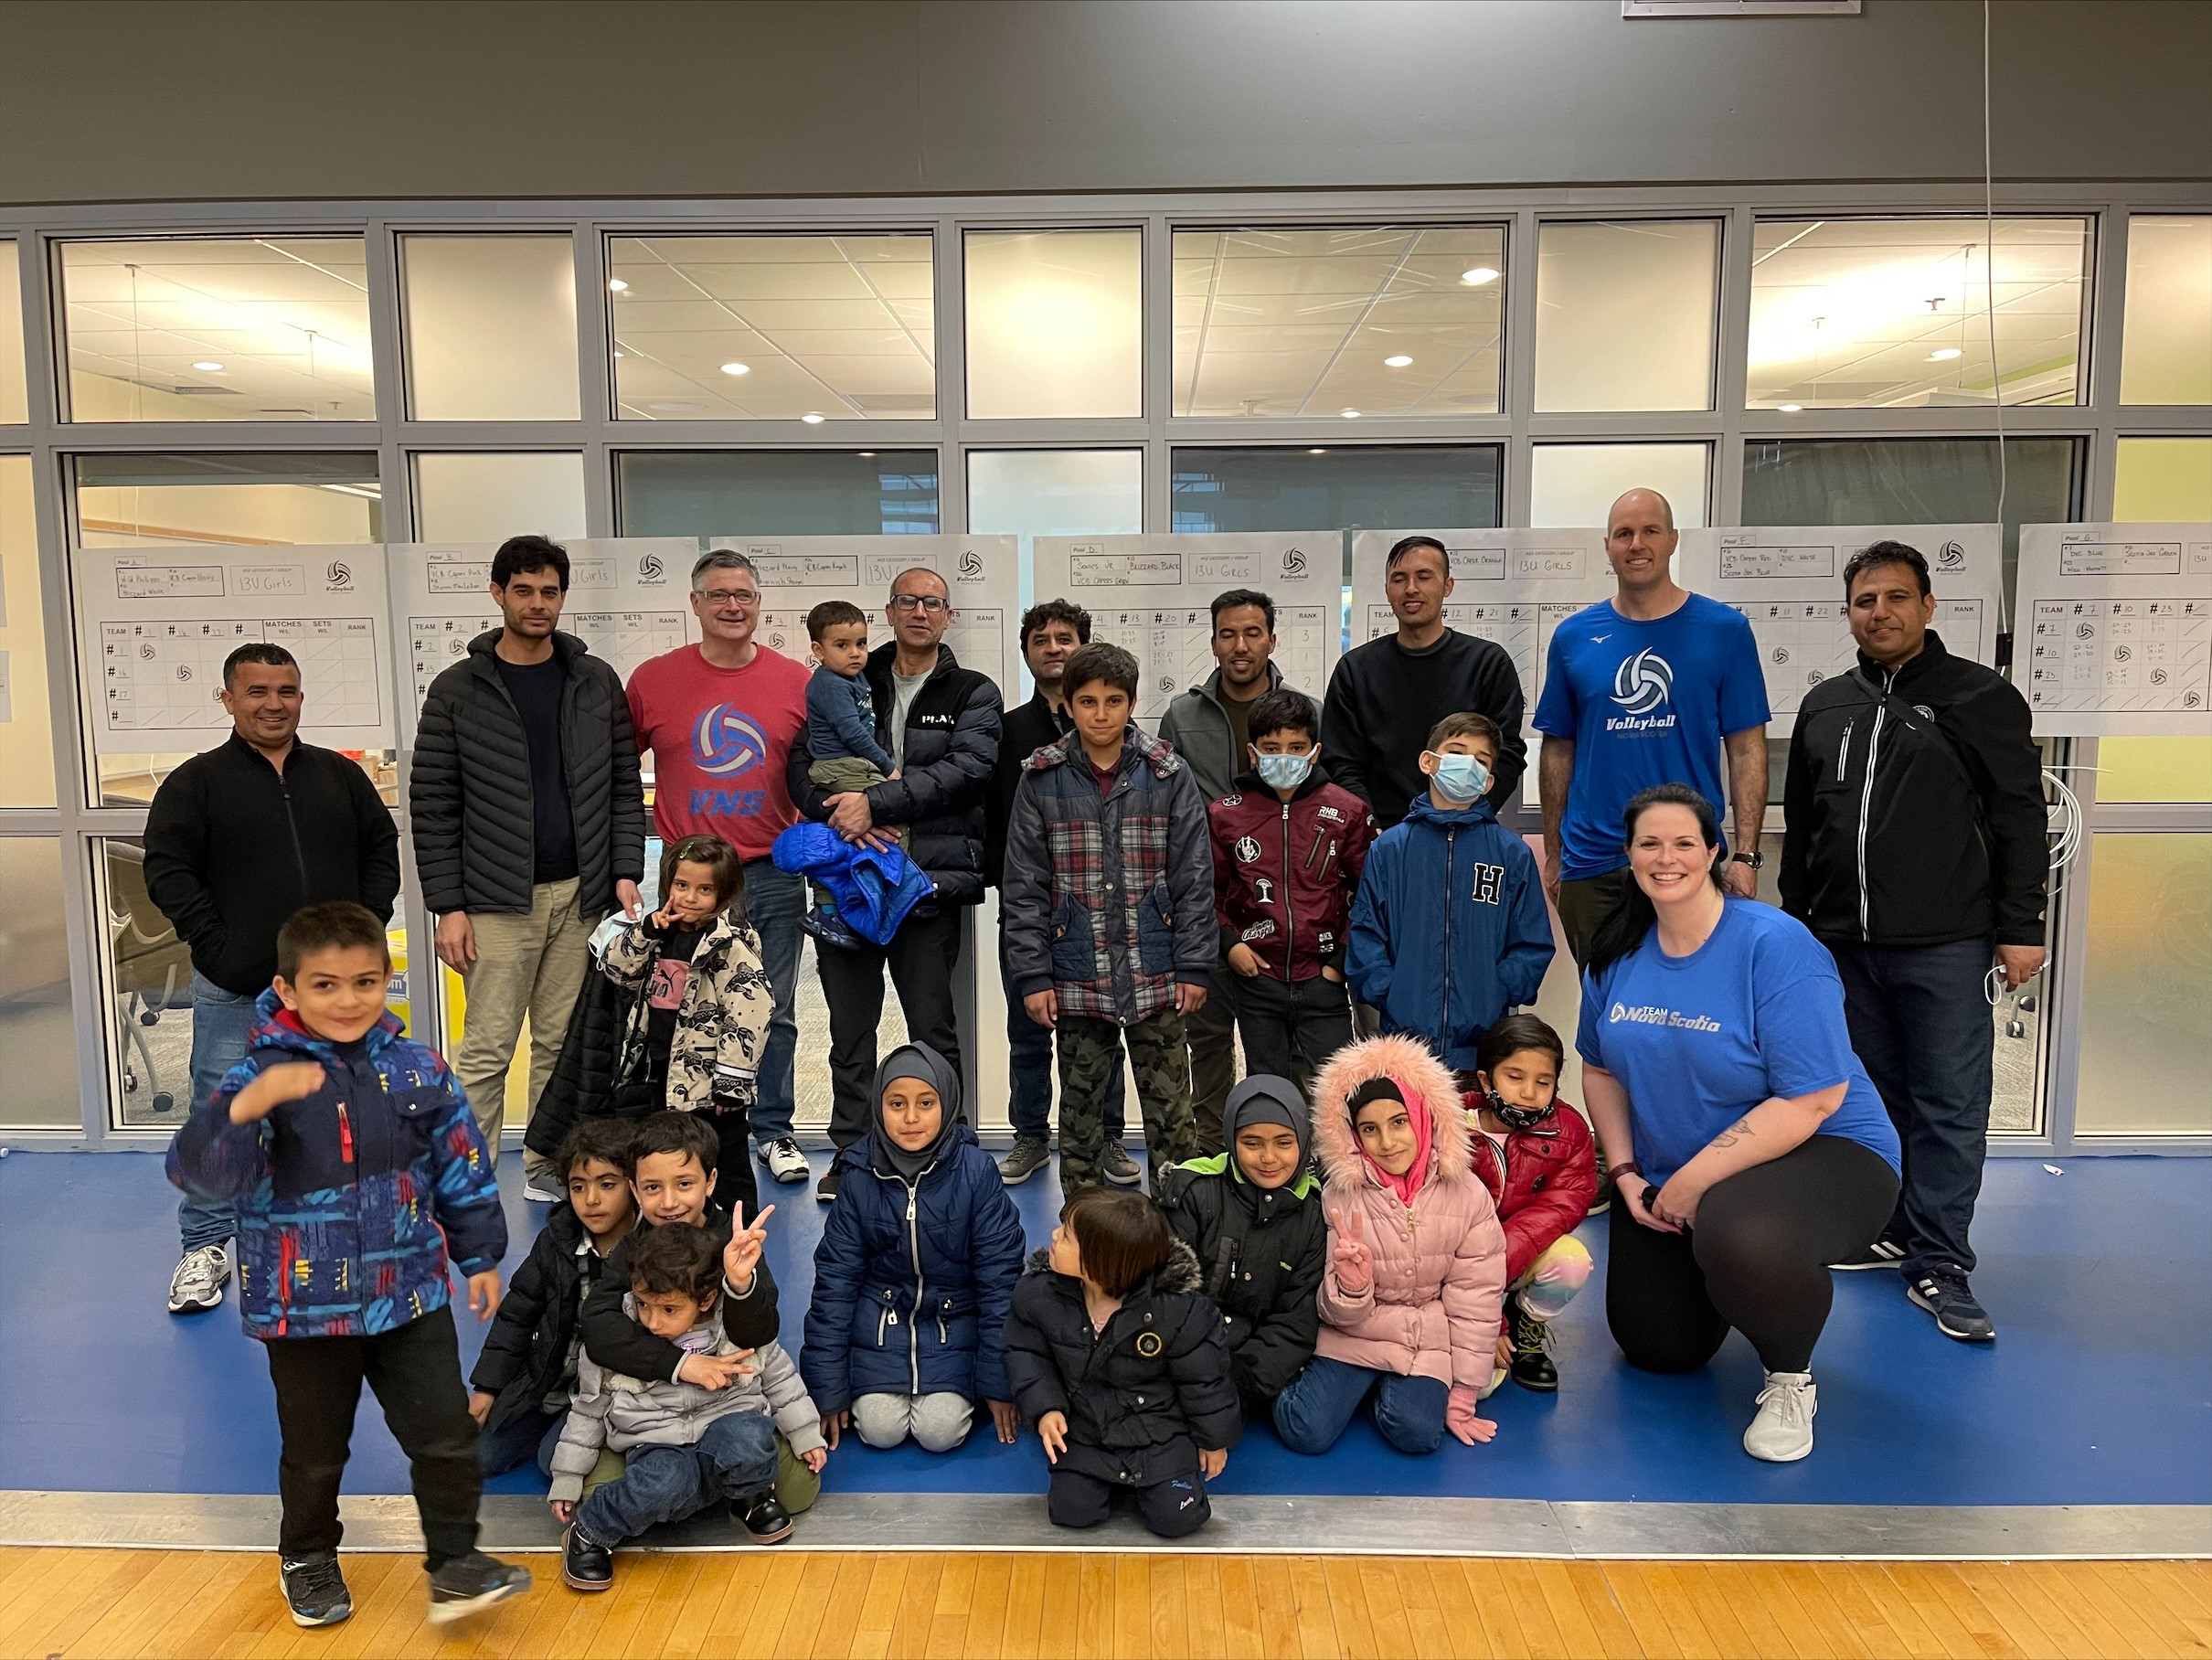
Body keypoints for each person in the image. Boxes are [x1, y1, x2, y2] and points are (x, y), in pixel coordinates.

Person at [165, 902, 529, 1630]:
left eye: (365, 982)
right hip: (303, 1308)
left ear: (388, 979)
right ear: (288, 989)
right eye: (325, 985)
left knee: (446, 1435)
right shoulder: (259, 1073)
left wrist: (481, 1255)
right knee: (316, 1450)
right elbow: (201, 1174)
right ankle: (306, 1555)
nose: (348, 1000)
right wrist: (245, 1110)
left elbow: (460, 1165)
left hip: (409, 1293)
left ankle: (456, 1563)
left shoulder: (417, 1067)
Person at [1579, 785, 1901, 1463]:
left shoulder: (1775, 945)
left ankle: (1790, 1377)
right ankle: (1729, 1267)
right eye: (1649, 844)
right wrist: (1627, 1172)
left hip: (1828, 1149)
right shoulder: (1615, 951)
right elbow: (1600, 1070)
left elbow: (1812, 1098)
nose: (1666, 858)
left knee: (1740, 1231)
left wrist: (1693, 1183)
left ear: (1714, 852)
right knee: (1660, 1348)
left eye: (1684, 843)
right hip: (1679, 1172)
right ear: (1630, 855)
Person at [1782, 540, 2049, 1343]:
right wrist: (1799, 931)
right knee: (1875, 1095)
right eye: (1866, 601)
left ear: (1928, 607)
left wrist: (2022, 927)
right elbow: (1805, 827)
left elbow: (2018, 817)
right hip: (1842, 946)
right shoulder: (1825, 705)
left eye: (1897, 598)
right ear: (1850, 611)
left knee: (1948, 1101)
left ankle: (1942, 1258)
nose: (1881, 613)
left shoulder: (1980, 698)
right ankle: (1889, 1225)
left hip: (1946, 942)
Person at [144, 641, 399, 1318]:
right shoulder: (195, 782)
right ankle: (204, 1245)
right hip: (237, 984)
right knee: (221, 1110)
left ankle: (344, 1235)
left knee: (341, 1106)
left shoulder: (338, 778)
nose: (272, 703)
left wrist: (364, 925)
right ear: (228, 700)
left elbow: (380, 849)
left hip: (332, 989)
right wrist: (219, 946)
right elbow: (168, 870)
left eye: (285, 690)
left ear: (300, 697)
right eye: (256, 692)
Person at [412, 534, 647, 1194]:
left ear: (562, 597)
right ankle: (468, 1177)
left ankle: (549, 1166)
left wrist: (624, 869)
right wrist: (448, 906)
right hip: (494, 901)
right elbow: (433, 804)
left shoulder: (595, 680)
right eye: (524, 591)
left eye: (549, 592)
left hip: (582, 895)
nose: (538, 604)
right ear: (498, 594)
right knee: (486, 1050)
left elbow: (623, 785)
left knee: (558, 1045)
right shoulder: (459, 688)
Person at [784, 567, 1003, 1203]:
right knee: (849, 1033)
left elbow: (969, 771)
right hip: (848, 883)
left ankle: (950, 1156)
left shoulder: (972, 691)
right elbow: (803, 763)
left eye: (933, 602)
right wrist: (835, 812)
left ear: (948, 615)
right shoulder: (850, 677)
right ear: (889, 609)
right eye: (908, 600)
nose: (920, 611)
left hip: (925, 887)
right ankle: (851, 1154)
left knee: (933, 1030)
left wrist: (876, 804)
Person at [626, 550, 814, 1190]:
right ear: (696, 603)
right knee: (679, 1005)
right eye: (719, 595)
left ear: (759, 604)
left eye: (745, 594)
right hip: (688, 878)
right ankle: (685, 1130)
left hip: (770, 872)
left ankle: (773, 1130)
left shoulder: (796, 681)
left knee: (775, 1007)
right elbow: (617, 774)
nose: (733, 605)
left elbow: (816, 775)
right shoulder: (653, 680)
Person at [1001, 643, 1217, 1189]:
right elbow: (1024, 887)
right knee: (1079, 1124)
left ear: (1132, 703)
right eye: (1089, 701)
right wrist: (1032, 974)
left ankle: (1180, 1235)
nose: (1102, 714)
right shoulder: (1041, 778)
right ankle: (1084, 1239)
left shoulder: (1168, 775)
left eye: (1114, 701)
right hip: (1076, 973)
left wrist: (1193, 965)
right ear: (1068, 706)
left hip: (1158, 970)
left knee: (1174, 1120)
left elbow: (1194, 877)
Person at [1536, 489, 1771, 967]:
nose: (1636, 543)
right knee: (1604, 1015)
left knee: (1690, 1012)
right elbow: (1557, 749)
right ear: (1608, 546)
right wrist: (1556, 853)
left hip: (1685, 861)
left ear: (1673, 541)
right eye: (1624, 533)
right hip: (1593, 863)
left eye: (1650, 531)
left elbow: (1747, 749)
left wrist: (1745, 857)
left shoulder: (1724, 629)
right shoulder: (1574, 637)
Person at [551, 1222, 827, 1591]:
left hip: (725, 1427)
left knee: (748, 1435)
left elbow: (780, 1379)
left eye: (668, 1309)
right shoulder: (621, 1337)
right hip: (656, 1444)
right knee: (666, 1481)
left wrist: (806, 1433)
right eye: (644, 1304)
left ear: (706, 1299)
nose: (652, 1321)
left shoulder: (734, 1327)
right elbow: (587, 1411)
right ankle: (588, 1533)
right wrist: (567, 1478)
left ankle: (749, 1498)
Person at [1272, 1035, 1506, 1458]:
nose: (1387, 1142)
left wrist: (1466, 1389)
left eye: (1399, 1122)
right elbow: (1328, 1308)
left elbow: (1478, 1295)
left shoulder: (1468, 1194)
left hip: (1425, 1337)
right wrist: (1351, 1286)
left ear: (1424, 1116)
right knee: (1306, 1431)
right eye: (1369, 1129)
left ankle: (1374, 1395)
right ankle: (1334, 1387)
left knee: (1417, 1434)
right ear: (1353, 1136)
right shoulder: (1340, 1195)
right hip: (1355, 1332)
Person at [803, 1043, 1026, 1453]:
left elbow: (1001, 1284)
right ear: (878, 1106)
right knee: (879, 1429)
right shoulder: (857, 1175)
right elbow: (835, 1283)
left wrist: (999, 1381)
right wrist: (828, 1389)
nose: (910, 1118)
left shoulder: (976, 1173)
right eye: (896, 1103)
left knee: (940, 1432)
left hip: (954, 1326)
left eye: (925, 1103)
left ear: (947, 1101)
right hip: (880, 1329)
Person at [986, 600, 1131, 1187]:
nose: (1052, 647)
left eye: (1064, 637)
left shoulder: (1114, 731)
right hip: (1029, 907)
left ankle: (1110, 1139)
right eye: (1040, 639)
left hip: (1101, 911)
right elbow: (998, 813)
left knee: (1105, 1030)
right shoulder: (1008, 730)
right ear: (1026, 653)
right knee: (1028, 1029)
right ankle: (1029, 1137)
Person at [1003, 1188, 1240, 1539]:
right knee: (1072, 1512)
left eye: (1067, 1236)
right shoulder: (1040, 1294)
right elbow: (1025, 1354)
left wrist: (1214, 1439)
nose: (1053, 1236)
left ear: (1104, 1262)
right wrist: (1046, 1409)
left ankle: (1152, 1488)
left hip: (1158, 1431)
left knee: (1178, 1519)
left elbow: (1205, 1380)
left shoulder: (1178, 1310)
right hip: (1085, 1428)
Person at [1160, 590, 1308, 1137]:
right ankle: (1210, 1151)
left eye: (1252, 633)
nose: (1240, 645)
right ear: (1214, 640)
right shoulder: (1183, 715)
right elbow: (1168, 803)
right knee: (1207, 1036)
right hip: (1208, 900)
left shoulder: (1303, 711)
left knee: (1280, 1041)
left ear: (1272, 638)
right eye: (1228, 634)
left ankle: (1284, 1146)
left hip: (1284, 905)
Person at [1344, 713, 1554, 1073]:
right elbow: (1366, 933)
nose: (1467, 765)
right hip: (1403, 1049)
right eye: (1457, 751)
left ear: (1488, 781)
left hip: (1484, 1052)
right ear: (1428, 761)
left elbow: (1531, 943)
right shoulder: (1390, 849)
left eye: (1481, 760)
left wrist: (1497, 989)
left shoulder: (1510, 853)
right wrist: (1391, 992)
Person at [590, 834, 771, 1222]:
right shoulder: (658, 935)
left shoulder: (731, 946)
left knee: (727, 1167)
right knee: (666, 1160)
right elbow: (617, 968)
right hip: (661, 1075)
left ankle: (740, 1237)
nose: (690, 897)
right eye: (682, 885)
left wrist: (732, 1082)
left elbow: (750, 1016)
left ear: (724, 894)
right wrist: (647, 932)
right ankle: (668, 1231)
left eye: (704, 889)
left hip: (712, 1090)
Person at [1207, 687, 1375, 1104]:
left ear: (1315, 752)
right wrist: (1231, 945)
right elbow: (1205, 892)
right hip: (1255, 979)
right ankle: (1279, 1167)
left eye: (1297, 747)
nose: (1285, 756)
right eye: (1272, 747)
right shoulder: (1224, 814)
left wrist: (1340, 961)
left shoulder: (1348, 811)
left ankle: (1336, 1171)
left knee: (1338, 1093)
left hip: (1324, 980)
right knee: (1268, 1089)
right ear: (1253, 751)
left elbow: (1372, 893)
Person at [469, 1119, 639, 1477]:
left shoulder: (649, 1249)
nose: (591, 1200)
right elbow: (516, 1316)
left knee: (553, 1464)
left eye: (607, 1185)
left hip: (606, 1394)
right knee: (477, 1458)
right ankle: (545, 1425)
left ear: (634, 1185)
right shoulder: (556, 1240)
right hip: (548, 1382)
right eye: (578, 1187)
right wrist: (488, 1389)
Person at [1320, 535, 1526, 828]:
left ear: (1447, 586)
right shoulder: (1355, 669)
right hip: (1378, 838)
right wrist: (1371, 831)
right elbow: (1341, 764)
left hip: (1465, 830)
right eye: (1399, 578)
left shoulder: (1487, 664)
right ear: (1388, 589)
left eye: (1424, 576)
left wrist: (1470, 819)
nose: (1411, 588)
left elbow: (1507, 754)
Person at [1156, 1075, 1327, 1420]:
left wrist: (1244, 1380)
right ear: (1232, 1141)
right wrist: (1194, 1370)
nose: (1269, 1158)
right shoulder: (1194, 1192)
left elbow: (1296, 1320)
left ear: (1304, 1142)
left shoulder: (1313, 1215)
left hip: (1247, 1367)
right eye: (1252, 1143)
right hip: (1179, 1356)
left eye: (1284, 1142)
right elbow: (1163, 1293)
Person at [578, 1111, 782, 1389]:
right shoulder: (634, 1248)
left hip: (725, 1394)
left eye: (684, 1184)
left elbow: (760, 1334)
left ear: (710, 1182)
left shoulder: (734, 1245)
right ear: (635, 1191)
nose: (669, 1202)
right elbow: (597, 1326)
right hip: (654, 1398)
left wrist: (740, 1284)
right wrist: (680, 1363)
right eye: (652, 1187)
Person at [1462, 1015, 1599, 1394]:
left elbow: (1564, 1206)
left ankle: (1525, 1324)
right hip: (1453, 1268)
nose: (1528, 1093)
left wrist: (1496, 1266)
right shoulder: (1450, 1129)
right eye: (1514, 1077)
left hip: (1513, 1256)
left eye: (1543, 1082)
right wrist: (1486, 1322)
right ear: (1487, 1079)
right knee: (1481, 1389)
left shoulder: (1569, 1131)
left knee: (1571, 1262)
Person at [798, 598, 897, 945]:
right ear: (818, 649)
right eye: (842, 645)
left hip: (851, 763)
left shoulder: (849, 677)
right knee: (888, 826)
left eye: (861, 643)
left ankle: (842, 906)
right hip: (842, 765)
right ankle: (831, 909)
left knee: (862, 835)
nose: (855, 653)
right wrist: (889, 769)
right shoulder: (829, 683)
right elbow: (853, 733)